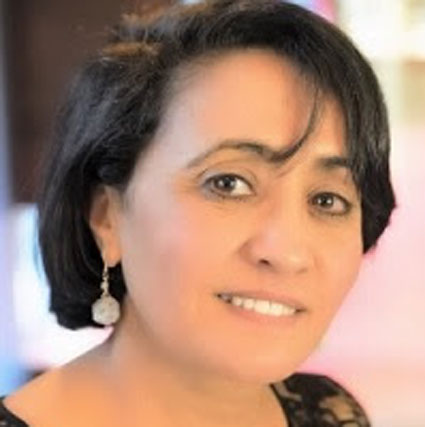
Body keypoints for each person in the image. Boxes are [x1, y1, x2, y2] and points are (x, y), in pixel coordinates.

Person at [0, 0, 395, 425]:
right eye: (228, 183)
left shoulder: (330, 411)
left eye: (327, 200)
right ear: (106, 217)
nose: (287, 252)